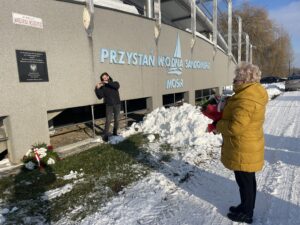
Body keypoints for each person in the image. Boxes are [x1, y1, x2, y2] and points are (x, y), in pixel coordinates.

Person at [216, 62, 268, 224]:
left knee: (245, 182)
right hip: (245, 145)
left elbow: (236, 126)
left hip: (243, 146)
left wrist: (218, 125)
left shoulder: (247, 98)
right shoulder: (247, 94)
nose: (234, 80)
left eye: (237, 77)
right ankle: (245, 206)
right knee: (245, 180)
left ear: (246, 79)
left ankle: (247, 213)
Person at [95, 72, 121, 142]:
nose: (104, 79)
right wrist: (97, 89)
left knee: (117, 119)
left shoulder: (114, 83)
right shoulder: (103, 87)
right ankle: (105, 135)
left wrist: (107, 83)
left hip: (117, 104)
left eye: (105, 77)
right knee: (108, 120)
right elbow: (99, 97)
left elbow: (117, 86)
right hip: (109, 105)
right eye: (103, 78)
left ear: (108, 77)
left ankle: (115, 133)